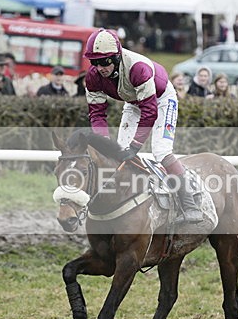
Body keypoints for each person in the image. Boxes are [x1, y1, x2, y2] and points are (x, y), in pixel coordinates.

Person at [83, 28, 203, 224]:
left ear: (116, 57)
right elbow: (97, 113)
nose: (100, 67)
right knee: (118, 152)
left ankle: (189, 203)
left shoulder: (138, 68)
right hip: (133, 101)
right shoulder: (93, 77)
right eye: (94, 62)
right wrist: (103, 145)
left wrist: (136, 146)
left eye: (104, 61)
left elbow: (150, 112)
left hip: (161, 99)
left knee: (161, 151)